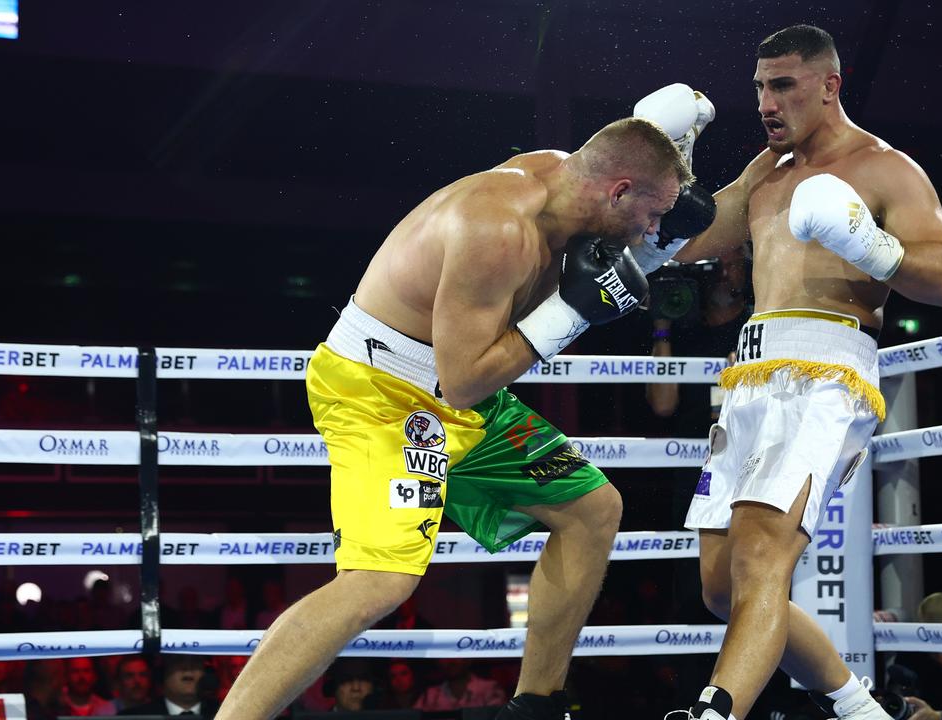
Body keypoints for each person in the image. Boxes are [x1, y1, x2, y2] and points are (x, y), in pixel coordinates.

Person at [217, 117, 715, 720]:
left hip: (458, 393)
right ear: (618, 192)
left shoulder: (566, 178)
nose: (652, 231)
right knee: (379, 580)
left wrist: (659, 219)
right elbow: (465, 380)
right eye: (652, 216)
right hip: (386, 395)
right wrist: (573, 315)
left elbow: (628, 163)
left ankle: (535, 707)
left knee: (591, 509)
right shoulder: (497, 228)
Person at [641, 24, 942, 720]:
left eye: (783, 84)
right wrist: (668, 168)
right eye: (760, 86)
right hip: (750, 374)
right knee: (723, 586)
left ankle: (715, 711)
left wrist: (873, 248)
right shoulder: (767, 171)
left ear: (830, 86)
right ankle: (864, 712)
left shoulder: (885, 169)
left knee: (764, 560)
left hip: (827, 369)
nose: (766, 101)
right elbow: (685, 243)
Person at [120, 654, 219, 717]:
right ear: (162, 672)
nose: (188, 668)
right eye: (179, 660)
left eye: (196, 661)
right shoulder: (133, 717)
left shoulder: (228, 713)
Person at [415, 658, 508, 712]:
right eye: (445, 656)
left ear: (468, 660)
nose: (450, 661)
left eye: (456, 654)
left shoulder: (489, 689)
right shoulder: (431, 694)